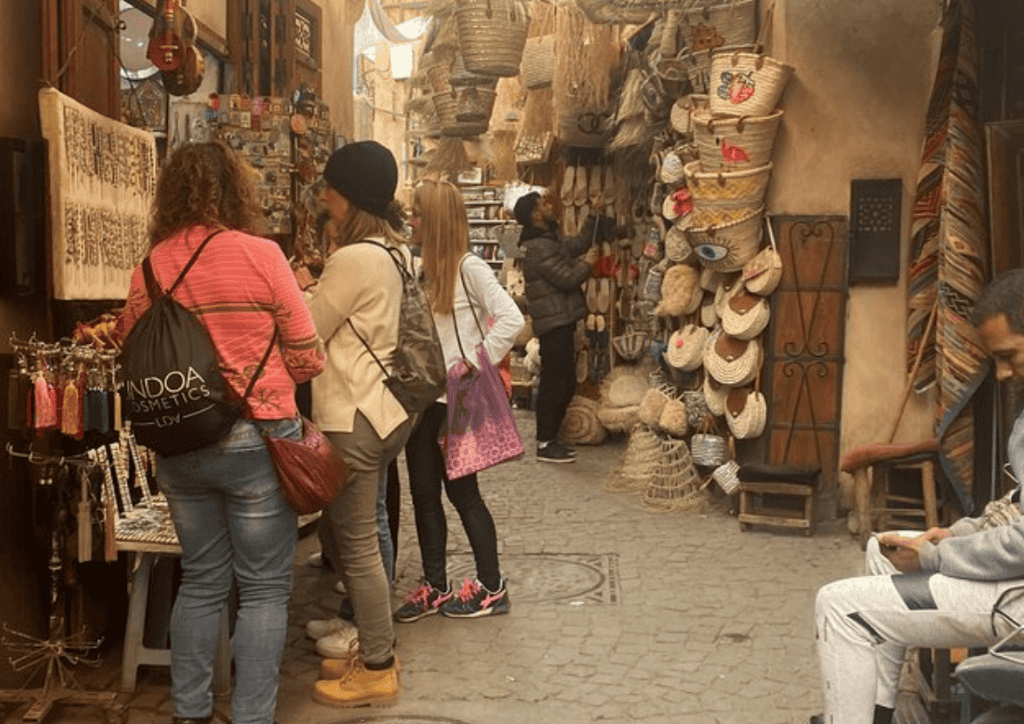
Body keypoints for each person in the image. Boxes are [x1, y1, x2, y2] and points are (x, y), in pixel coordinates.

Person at [113, 141, 326, 724]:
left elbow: (129, 342)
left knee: (202, 579)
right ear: (236, 191)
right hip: (258, 436)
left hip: (181, 442)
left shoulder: (151, 266)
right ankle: (252, 716)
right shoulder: (262, 255)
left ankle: (190, 711)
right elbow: (307, 357)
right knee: (263, 588)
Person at [812, 268, 1024, 724]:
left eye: (1009, 356)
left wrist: (936, 556)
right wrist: (953, 535)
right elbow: (1016, 510)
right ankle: (877, 710)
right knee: (883, 549)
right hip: (1013, 582)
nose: (1004, 373)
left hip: (1017, 599)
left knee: (839, 606)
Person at [304, 140, 412, 708]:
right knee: (362, 535)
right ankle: (374, 649)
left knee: (358, 545)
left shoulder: (352, 259)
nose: (324, 196)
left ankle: (377, 665)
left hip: (353, 415)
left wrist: (298, 295)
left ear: (353, 196)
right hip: (382, 411)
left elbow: (308, 333)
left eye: (333, 188)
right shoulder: (393, 251)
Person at [395, 178, 524, 622]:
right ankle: (435, 585)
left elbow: (511, 318)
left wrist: (475, 361)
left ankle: (492, 587)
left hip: (456, 399)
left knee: (463, 494)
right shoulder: (419, 268)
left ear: (435, 220)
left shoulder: (470, 267)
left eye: (418, 213)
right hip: (423, 400)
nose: (411, 220)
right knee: (423, 494)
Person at [514, 191, 607, 463]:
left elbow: (576, 244)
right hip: (553, 322)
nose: (549, 205)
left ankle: (550, 437)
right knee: (555, 382)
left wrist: (593, 214)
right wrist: (587, 264)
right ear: (535, 215)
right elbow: (567, 278)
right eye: (543, 204)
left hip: (560, 319)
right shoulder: (539, 247)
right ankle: (545, 441)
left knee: (563, 381)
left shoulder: (547, 240)